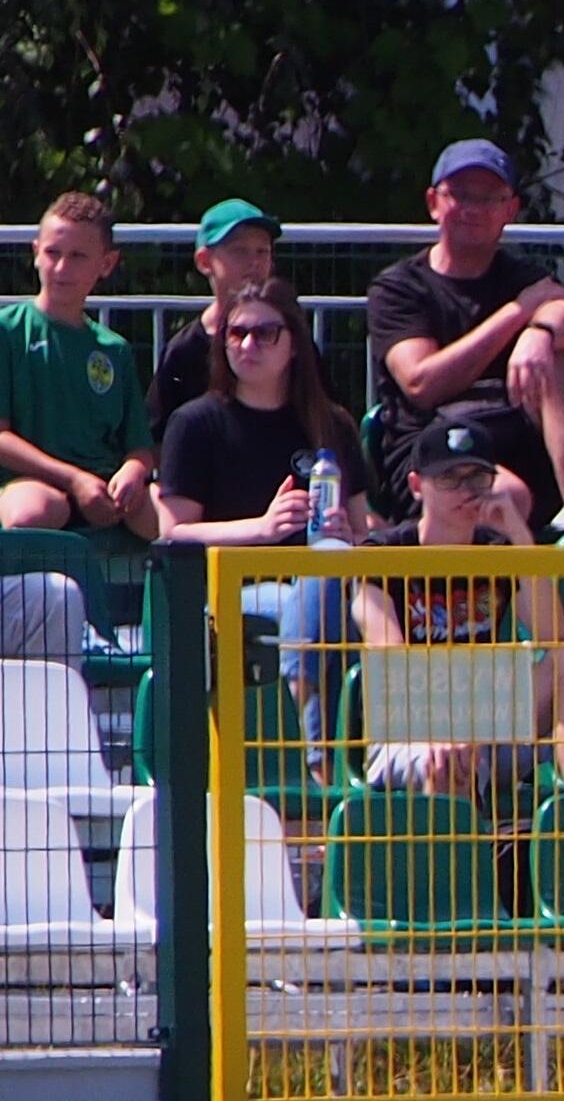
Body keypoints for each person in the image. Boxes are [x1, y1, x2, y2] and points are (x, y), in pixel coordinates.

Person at [348, 413, 564, 798]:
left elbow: (552, 635)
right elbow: (392, 656)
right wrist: (448, 730)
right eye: (449, 478)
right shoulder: (382, 555)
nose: (465, 490)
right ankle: (456, 834)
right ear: (417, 485)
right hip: (410, 730)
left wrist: (518, 535)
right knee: (449, 753)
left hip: (489, 721)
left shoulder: (498, 551)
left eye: (477, 478)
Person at [367, 141, 564, 530]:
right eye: (461, 195)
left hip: (518, 440)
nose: (473, 209)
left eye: (489, 198)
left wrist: (539, 333)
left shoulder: (526, 277)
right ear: (434, 202)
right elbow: (421, 383)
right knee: (506, 497)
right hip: (435, 450)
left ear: (510, 209)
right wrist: (518, 312)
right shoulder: (398, 288)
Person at [154, 279, 371, 729]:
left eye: (265, 333)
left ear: (294, 345)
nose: (248, 345)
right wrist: (262, 529)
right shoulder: (194, 423)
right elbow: (173, 530)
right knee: (313, 594)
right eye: (237, 333)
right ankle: (317, 746)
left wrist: (347, 533)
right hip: (233, 586)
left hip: (329, 582)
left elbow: (363, 528)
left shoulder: (331, 423)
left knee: (330, 586)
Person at [0, 192, 159, 539]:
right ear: (35, 252)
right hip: (32, 483)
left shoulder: (114, 349)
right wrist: (73, 479)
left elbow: (139, 446)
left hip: (103, 485)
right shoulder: (7, 331)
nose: (61, 268)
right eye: (52, 253)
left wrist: (133, 471)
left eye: (77, 256)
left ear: (107, 263)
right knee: (30, 512)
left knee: (169, 515)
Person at [150, 197, 280, 429]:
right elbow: (158, 433)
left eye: (262, 251)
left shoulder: (287, 338)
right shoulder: (185, 350)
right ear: (204, 261)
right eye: (239, 251)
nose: (254, 262)